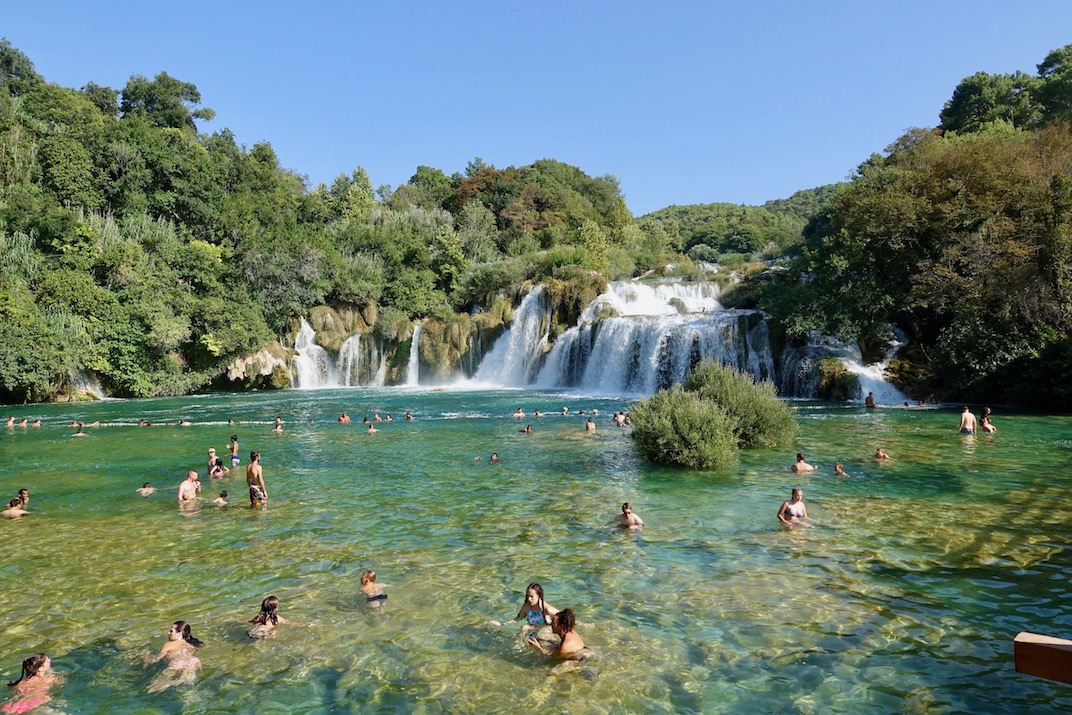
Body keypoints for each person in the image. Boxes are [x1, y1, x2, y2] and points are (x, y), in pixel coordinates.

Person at [144, 621, 202, 693]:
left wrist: (145, 657)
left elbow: (155, 659)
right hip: (193, 661)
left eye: (171, 631)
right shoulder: (191, 644)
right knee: (188, 687)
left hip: (177, 663)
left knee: (150, 689)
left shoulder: (168, 644)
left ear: (179, 634)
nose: (168, 633)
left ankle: (172, 683)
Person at [527, 609, 591, 661]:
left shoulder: (566, 645)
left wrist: (538, 648)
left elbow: (553, 657)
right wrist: (542, 640)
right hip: (585, 651)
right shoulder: (570, 632)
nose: (551, 624)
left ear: (561, 626)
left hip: (583, 661)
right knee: (552, 643)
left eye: (553, 623)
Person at [493, 583, 558, 630]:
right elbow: (518, 618)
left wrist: (532, 627)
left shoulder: (548, 610)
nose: (529, 599)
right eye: (528, 596)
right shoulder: (527, 607)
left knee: (525, 627)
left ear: (539, 596)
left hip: (546, 635)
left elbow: (565, 619)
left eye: (532, 596)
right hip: (532, 633)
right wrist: (502, 624)